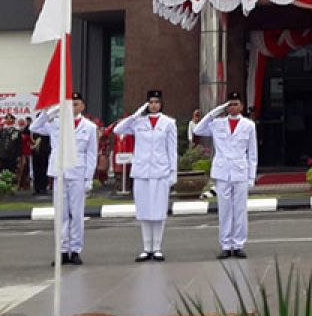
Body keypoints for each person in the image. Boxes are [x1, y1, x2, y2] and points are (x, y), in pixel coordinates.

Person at [31, 93, 99, 266]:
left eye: (76, 104)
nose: (72, 107)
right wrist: (51, 112)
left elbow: (91, 154)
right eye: (69, 104)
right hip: (60, 173)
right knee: (60, 215)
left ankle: (75, 250)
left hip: (78, 173)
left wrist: (88, 178)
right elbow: (34, 127)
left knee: (76, 214)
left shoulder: (89, 127)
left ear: (82, 106)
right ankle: (62, 251)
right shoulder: (56, 123)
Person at [114, 89, 178, 263]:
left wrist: (173, 172)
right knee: (144, 211)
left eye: (156, 102)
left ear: (161, 104)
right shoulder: (138, 123)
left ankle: (157, 247)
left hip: (160, 171)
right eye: (150, 102)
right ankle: (146, 247)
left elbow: (172, 150)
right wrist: (135, 115)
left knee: (158, 211)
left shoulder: (168, 123)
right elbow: (118, 129)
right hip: (142, 171)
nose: (153, 105)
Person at [193, 90, 257, 259]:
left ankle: (238, 244)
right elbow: (198, 130)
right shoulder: (217, 123)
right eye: (230, 104)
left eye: (236, 104)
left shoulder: (249, 125)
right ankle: (225, 244)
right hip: (222, 171)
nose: (233, 107)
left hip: (240, 170)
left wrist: (251, 176)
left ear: (242, 106)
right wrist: (216, 110)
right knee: (224, 209)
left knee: (240, 210)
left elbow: (252, 153)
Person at [31, 124, 52, 196]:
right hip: (36, 154)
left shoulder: (47, 131)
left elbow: (49, 143)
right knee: (36, 172)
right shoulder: (34, 131)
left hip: (44, 154)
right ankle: (36, 188)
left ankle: (43, 188)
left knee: (44, 171)